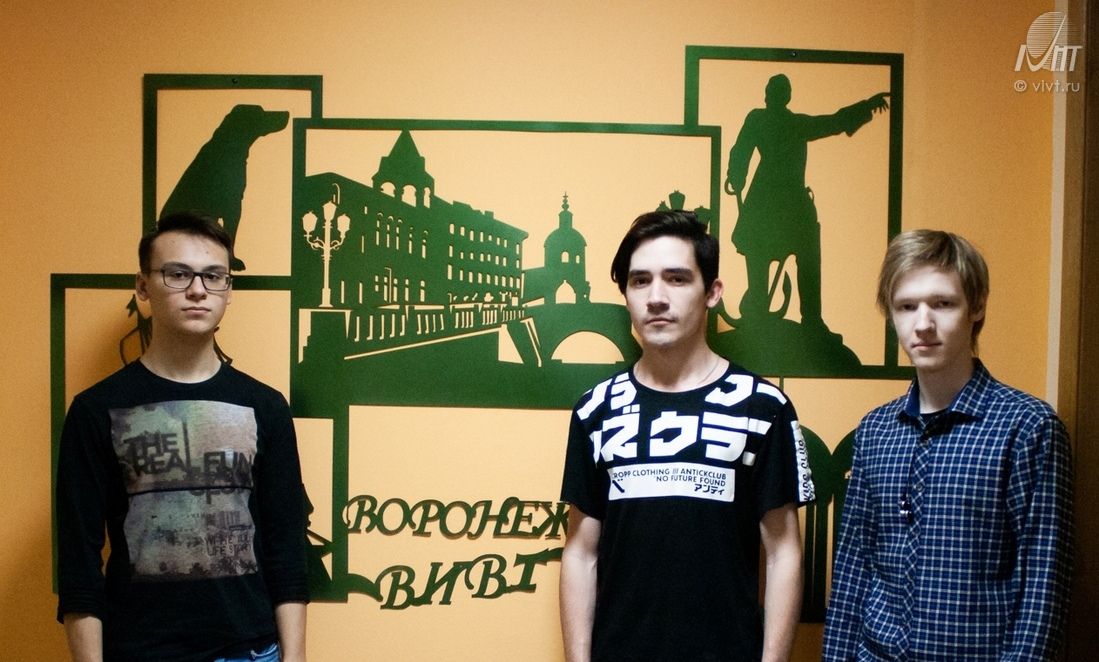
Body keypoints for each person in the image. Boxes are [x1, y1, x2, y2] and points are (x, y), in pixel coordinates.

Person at [558, 209, 815, 662]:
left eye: (677, 279)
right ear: (626, 296)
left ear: (712, 292)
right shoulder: (596, 410)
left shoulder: (762, 407)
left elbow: (783, 554)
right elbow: (581, 554)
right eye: (640, 281)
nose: (656, 297)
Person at [56, 212, 309, 661]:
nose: (197, 289)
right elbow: (79, 562)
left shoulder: (266, 407)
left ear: (228, 290)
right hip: (139, 651)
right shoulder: (95, 410)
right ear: (143, 286)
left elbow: (286, 547)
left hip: (249, 651)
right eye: (177, 274)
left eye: (213, 276)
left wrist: (295, 656)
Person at [822, 229, 1074, 660]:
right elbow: (852, 569)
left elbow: (1044, 587)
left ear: (977, 307)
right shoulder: (875, 430)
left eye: (942, 303)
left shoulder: (1028, 427)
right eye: (906, 306)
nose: (923, 324)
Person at [725, 73, 888, 325]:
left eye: (775, 92)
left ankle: (810, 319)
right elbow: (742, 150)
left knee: (803, 252)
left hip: (786, 202)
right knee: (762, 254)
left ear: (780, 96)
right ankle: (764, 313)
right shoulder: (771, 121)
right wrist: (736, 176)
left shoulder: (789, 123)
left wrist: (866, 105)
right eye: (772, 91)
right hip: (771, 202)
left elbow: (833, 122)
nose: (772, 96)